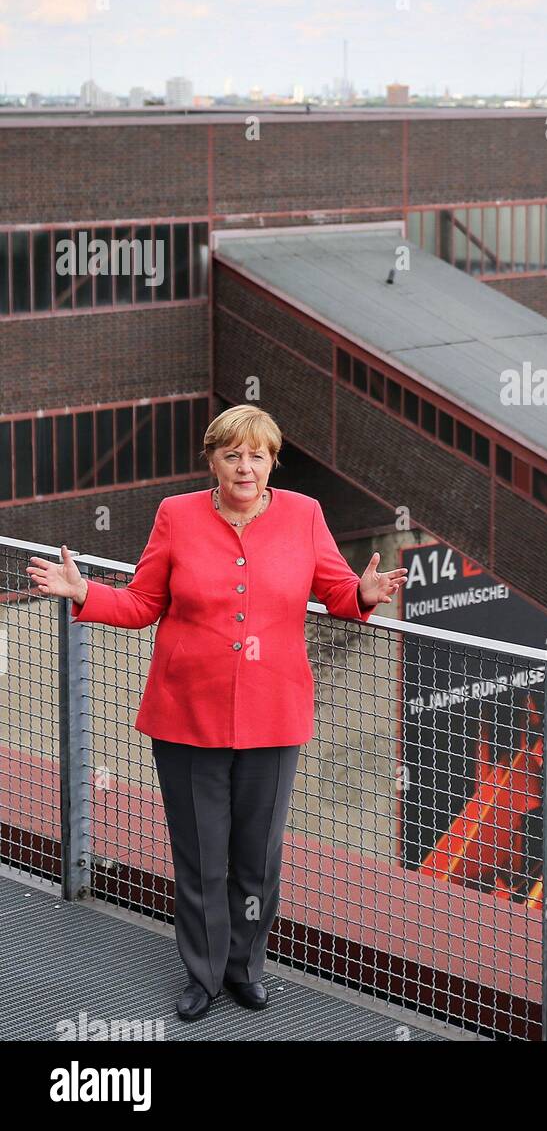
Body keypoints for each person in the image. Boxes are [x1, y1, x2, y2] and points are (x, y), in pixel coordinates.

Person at [25, 404, 407, 1023]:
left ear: (272, 461)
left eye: (257, 455)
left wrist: (362, 593)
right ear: (213, 461)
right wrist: (85, 593)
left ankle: (244, 968)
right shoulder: (175, 515)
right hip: (186, 716)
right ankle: (202, 973)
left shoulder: (304, 515)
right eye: (232, 455)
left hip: (273, 717)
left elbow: (337, 592)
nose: (245, 467)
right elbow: (144, 602)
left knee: (257, 856)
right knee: (201, 855)